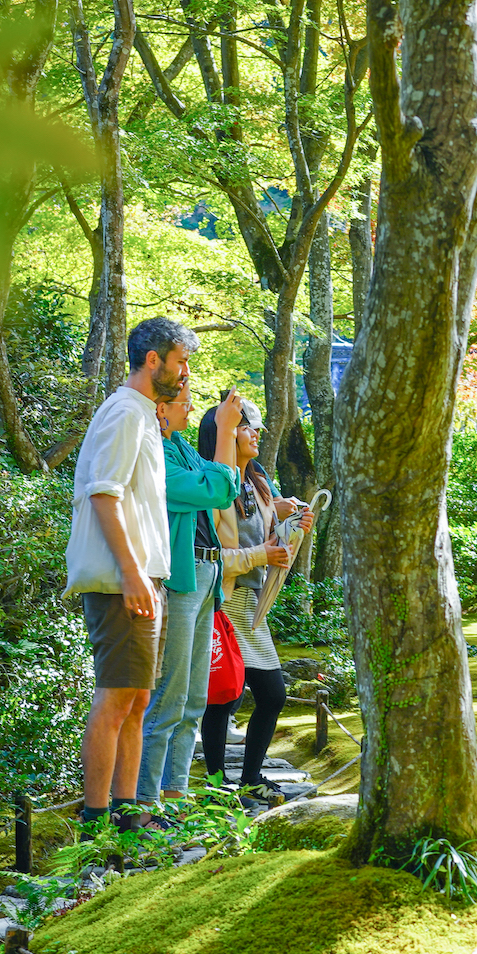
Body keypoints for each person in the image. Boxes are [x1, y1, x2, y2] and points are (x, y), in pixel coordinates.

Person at [65, 317, 198, 834]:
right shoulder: (123, 412)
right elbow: (104, 492)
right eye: (180, 361)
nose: (184, 373)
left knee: (138, 697)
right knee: (118, 695)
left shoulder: (145, 413)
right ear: (153, 360)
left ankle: (127, 812)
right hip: (124, 581)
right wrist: (132, 573)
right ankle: (97, 819)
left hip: (144, 579)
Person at [196, 398, 312, 806]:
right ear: (224, 433)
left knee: (273, 694)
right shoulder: (210, 485)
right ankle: (215, 784)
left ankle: (249, 777)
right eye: (247, 427)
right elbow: (211, 554)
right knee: (223, 694)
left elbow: (269, 538)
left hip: (252, 605)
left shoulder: (259, 484)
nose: (256, 432)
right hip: (223, 600)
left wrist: (292, 526)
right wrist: (265, 552)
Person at [138, 383, 244, 820]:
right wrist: (223, 433)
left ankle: (176, 794)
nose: (191, 410)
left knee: (194, 696)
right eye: (184, 404)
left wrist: (224, 448)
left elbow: (225, 486)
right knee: (169, 694)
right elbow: (214, 491)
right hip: (182, 577)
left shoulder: (179, 445)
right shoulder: (156, 455)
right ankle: (145, 801)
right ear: (161, 410)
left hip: (208, 573)